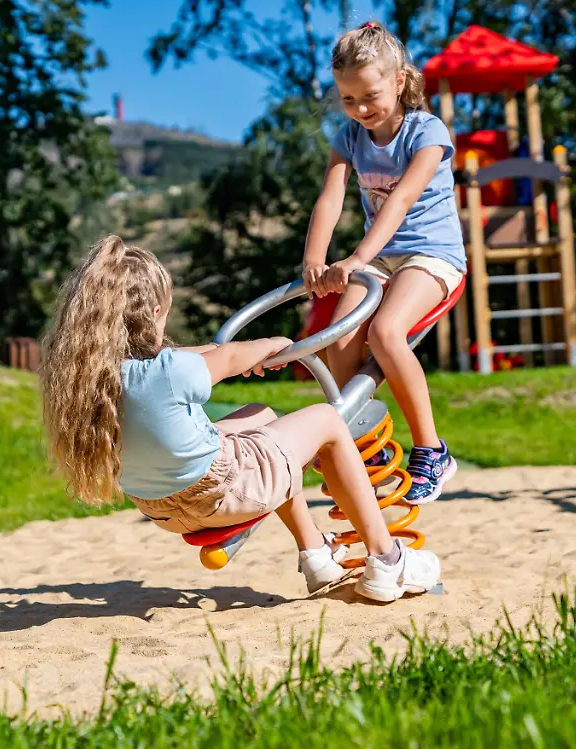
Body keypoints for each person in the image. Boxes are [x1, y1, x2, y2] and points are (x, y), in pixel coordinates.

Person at [39, 235, 441, 602]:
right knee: (326, 422)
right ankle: (387, 559)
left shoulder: (94, 375)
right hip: (220, 494)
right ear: (157, 311)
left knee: (260, 417)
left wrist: (230, 352)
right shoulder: (172, 371)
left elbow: (197, 357)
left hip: (162, 509)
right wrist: (276, 345)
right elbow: (227, 358)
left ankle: (317, 553)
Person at [302, 20, 464, 505]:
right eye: (348, 100)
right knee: (340, 340)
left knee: (386, 334)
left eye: (369, 96)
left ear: (399, 81)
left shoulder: (427, 131)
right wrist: (314, 259)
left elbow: (400, 201)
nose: (360, 110)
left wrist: (355, 257)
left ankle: (433, 449)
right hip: (381, 257)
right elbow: (330, 198)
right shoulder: (350, 137)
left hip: (431, 255)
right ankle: (365, 447)